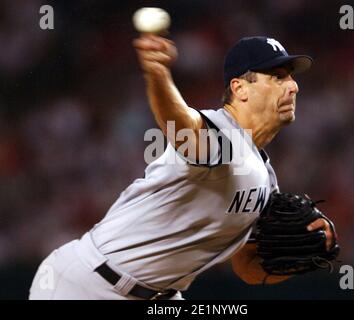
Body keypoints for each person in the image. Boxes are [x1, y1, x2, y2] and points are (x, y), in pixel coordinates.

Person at [29, 35, 336, 300]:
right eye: (278, 76)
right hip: (87, 285)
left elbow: (248, 269)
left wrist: (306, 254)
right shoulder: (219, 133)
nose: (293, 86)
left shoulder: (266, 178)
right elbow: (180, 124)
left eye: (291, 77)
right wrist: (158, 74)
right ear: (240, 88)